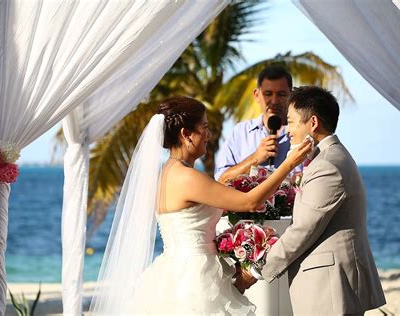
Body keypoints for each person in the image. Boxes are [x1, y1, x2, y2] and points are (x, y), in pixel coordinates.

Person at [89, 96, 312, 315]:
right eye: (204, 127)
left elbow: (219, 190)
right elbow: (250, 202)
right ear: (186, 134)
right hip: (196, 279)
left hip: (174, 270)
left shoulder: (169, 172)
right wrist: (288, 164)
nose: (209, 134)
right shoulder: (186, 177)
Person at [260, 86, 386, 315]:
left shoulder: (327, 165)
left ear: (313, 123)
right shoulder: (328, 157)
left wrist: (257, 269)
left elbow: (303, 230)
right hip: (328, 286)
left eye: (292, 121)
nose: (288, 130)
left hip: (330, 289)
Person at [215, 65, 295, 183]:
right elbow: (221, 179)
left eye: (281, 94)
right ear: (257, 95)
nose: (274, 101)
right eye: (268, 94)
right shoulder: (240, 133)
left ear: (291, 96)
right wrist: (255, 158)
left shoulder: (302, 134)